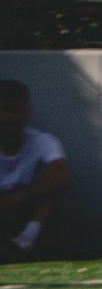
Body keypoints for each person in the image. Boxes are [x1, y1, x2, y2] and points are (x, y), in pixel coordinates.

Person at [0, 80, 69, 262]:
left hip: (22, 210)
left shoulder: (41, 141)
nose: (9, 117)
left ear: (26, 112)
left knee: (48, 195)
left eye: (15, 110)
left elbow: (60, 177)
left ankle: (25, 241)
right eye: (3, 110)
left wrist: (20, 195)